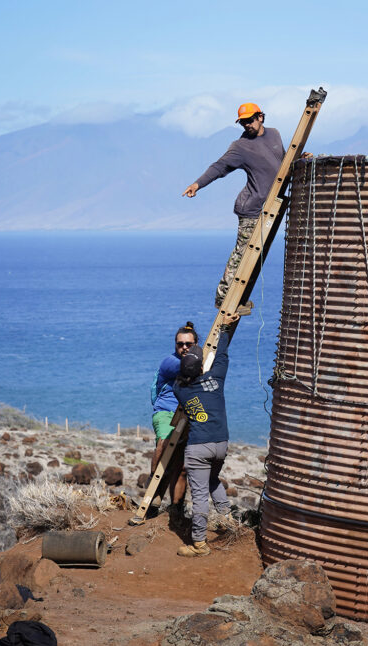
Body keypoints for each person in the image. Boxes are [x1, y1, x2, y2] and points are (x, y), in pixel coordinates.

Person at [183, 102, 284, 308]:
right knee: (242, 254)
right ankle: (223, 299)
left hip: (270, 207)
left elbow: (282, 160)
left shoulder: (274, 134)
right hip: (251, 207)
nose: (246, 125)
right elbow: (219, 167)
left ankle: (239, 299)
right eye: (243, 122)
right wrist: (197, 184)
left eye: (249, 120)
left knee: (255, 257)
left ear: (260, 117)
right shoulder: (240, 147)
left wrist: (301, 157)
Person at [172, 312, 240, 557]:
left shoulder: (179, 389)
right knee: (213, 481)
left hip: (198, 447)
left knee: (199, 494)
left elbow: (180, 376)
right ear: (202, 367)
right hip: (221, 444)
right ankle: (227, 521)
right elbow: (222, 354)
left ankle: (199, 543)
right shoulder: (217, 378)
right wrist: (225, 329)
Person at [149, 322, 195, 522]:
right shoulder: (169, 362)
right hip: (166, 412)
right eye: (180, 344)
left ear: (195, 344)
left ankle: (177, 508)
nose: (184, 347)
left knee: (182, 466)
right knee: (164, 443)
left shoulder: (195, 359)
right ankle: (153, 494)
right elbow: (192, 368)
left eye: (188, 344)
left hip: (188, 414)